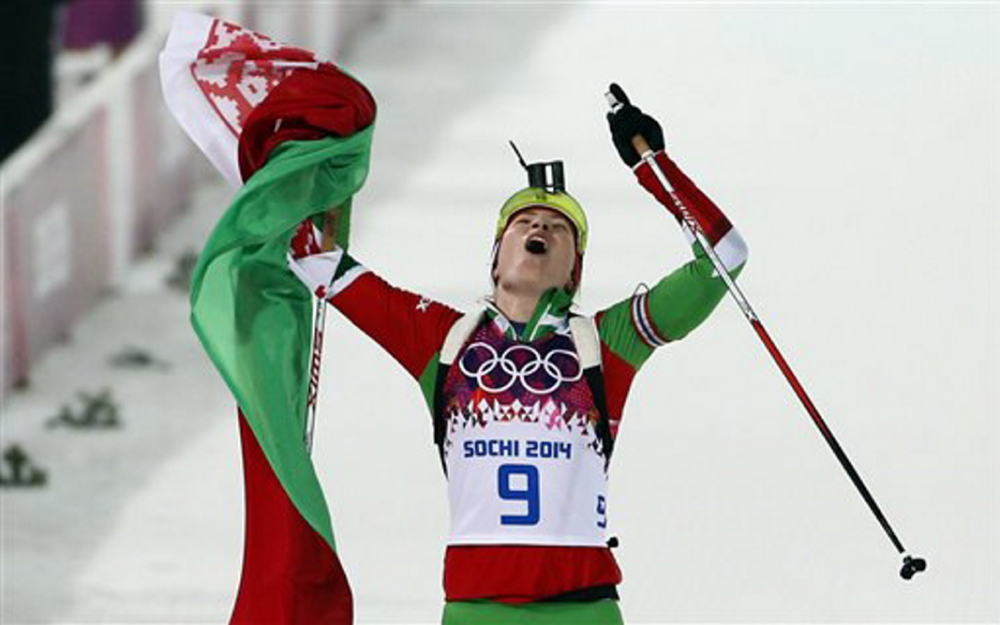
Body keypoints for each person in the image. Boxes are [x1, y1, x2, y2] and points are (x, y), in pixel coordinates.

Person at [287, 86, 748, 624]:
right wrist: (313, 162)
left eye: (559, 229)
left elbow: (726, 257)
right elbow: (309, 253)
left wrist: (654, 168)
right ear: (497, 255)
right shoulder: (442, 340)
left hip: (584, 611)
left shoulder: (606, 342)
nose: (539, 229)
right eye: (523, 222)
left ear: (574, 269)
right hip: (474, 611)